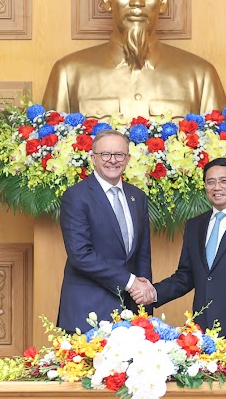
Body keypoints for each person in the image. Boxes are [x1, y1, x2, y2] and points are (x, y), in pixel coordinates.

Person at [42, 0, 226, 118]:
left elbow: (220, 150)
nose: (136, 1)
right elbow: (49, 148)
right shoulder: (68, 74)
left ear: (163, 0)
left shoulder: (201, 77)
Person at [134, 157, 226, 350]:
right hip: (203, 333)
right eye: (210, 182)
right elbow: (186, 276)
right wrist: (153, 293)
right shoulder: (195, 225)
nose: (216, 187)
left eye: (224, 181)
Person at [56, 129, 153, 332]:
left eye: (119, 155)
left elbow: (142, 255)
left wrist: (144, 303)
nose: (112, 160)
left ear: (127, 159)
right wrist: (130, 282)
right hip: (88, 310)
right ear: (93, 158)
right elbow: (80, 255)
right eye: (105, 154)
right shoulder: (77, 196)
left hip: (130, 311)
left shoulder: (137, 197)